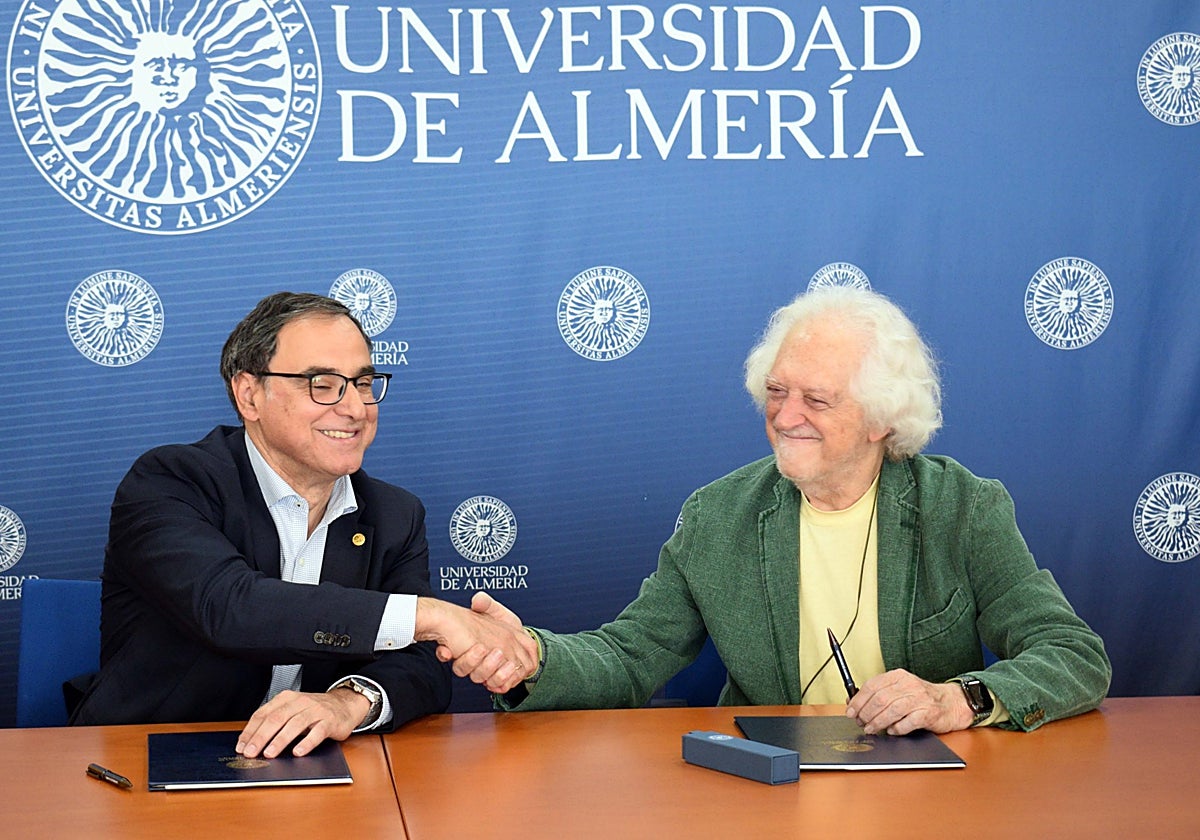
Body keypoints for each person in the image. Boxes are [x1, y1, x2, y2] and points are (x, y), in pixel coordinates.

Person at [443, 285, 1111, 734]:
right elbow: (630, 656)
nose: (786, 417)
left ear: (882, 419)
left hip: (928, 792)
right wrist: (534, 658)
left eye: (816, 401)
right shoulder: (718, 515)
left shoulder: (961, 508)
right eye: (776, 392)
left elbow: (1074, 655)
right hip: (767, 792)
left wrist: (958, 698)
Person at [69, 292, 535, 758]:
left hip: (313, 771)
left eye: (363, 382)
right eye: (323, 384)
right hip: (148, 760)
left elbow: (422, 666)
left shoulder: (395, 514)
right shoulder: (171, 480)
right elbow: (230, 608)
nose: (355, 408)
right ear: (249, 395)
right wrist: (432, 616)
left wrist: (348, 702)